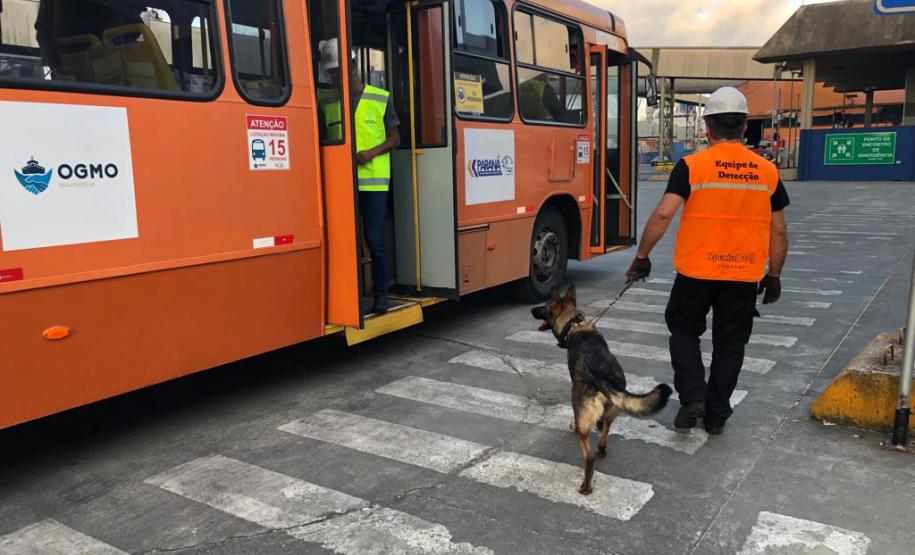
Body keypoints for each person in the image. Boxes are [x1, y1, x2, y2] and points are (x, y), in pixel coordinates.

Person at [625, 86, 790, 435]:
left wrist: (642, 256)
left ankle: (693, 398)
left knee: (684, 331)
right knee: (730, 344)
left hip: (696, 273)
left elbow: (663, 214)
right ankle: (716, 415)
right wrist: (773, 275)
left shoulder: (692, 166)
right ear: (744, 126)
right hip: (743, 276)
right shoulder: (767, 171)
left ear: (707, 127)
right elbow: (779, 232)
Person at [319, 39, 400, 313]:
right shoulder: (331, 102)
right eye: (330, 72)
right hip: (342, 182)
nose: (333, 76)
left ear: (352, 66)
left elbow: (395, 138)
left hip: (373, 182)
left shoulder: (380, 98)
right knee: (344, 238)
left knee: (373, 239)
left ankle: (380, 296)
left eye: (337, 70)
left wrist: (371, 153)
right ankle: (351, 295)